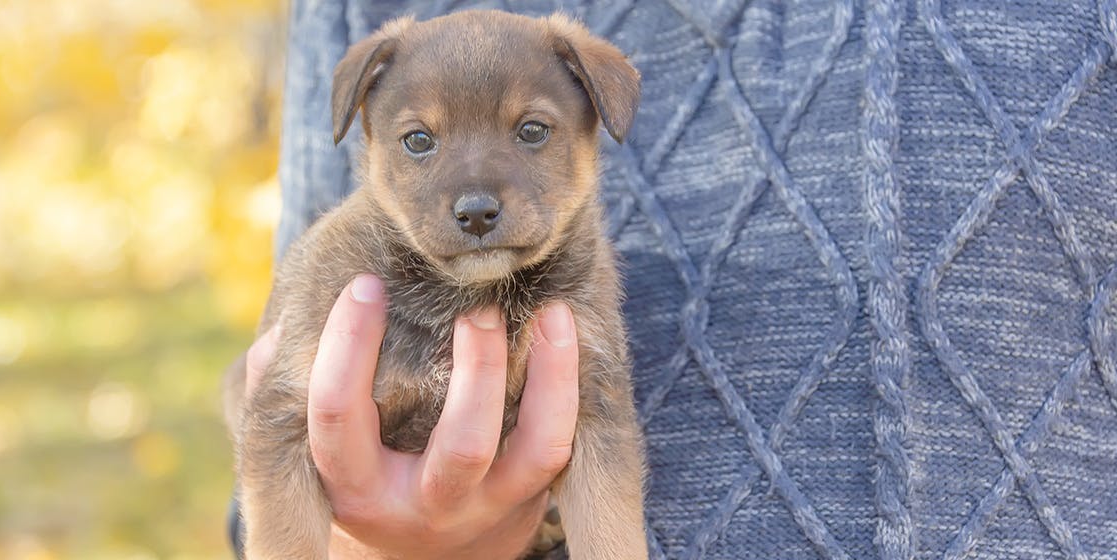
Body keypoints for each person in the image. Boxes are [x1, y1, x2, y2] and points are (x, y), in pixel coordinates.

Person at [231, 0, 1117, 558]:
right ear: (374, 135)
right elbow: (273, 429)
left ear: (597, 118)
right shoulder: (358, 70)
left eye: (531, 131)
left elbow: (602, 433)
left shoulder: (576, 268)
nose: (474, 196)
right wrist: (370, 537)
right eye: (419, 142)